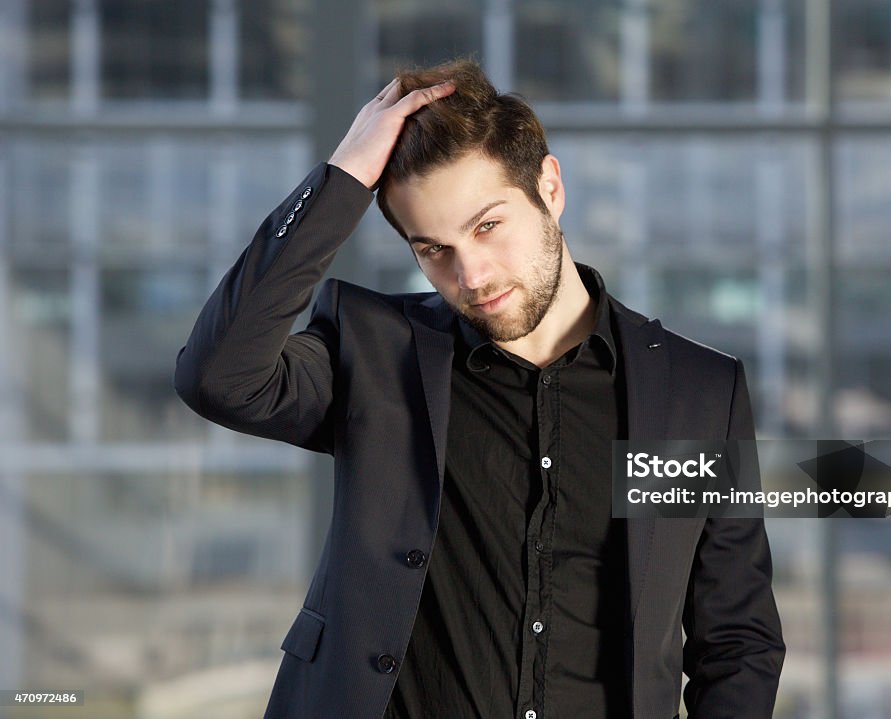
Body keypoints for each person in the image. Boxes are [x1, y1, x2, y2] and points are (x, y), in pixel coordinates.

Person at [173, 57, 785, 719]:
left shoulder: (693, 395)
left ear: (549, 187)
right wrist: (344, 177)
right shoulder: (378, 355)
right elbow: (218, 377)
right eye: (433, 249)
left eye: (487, 226)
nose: (472, 273)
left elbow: (736, 639)